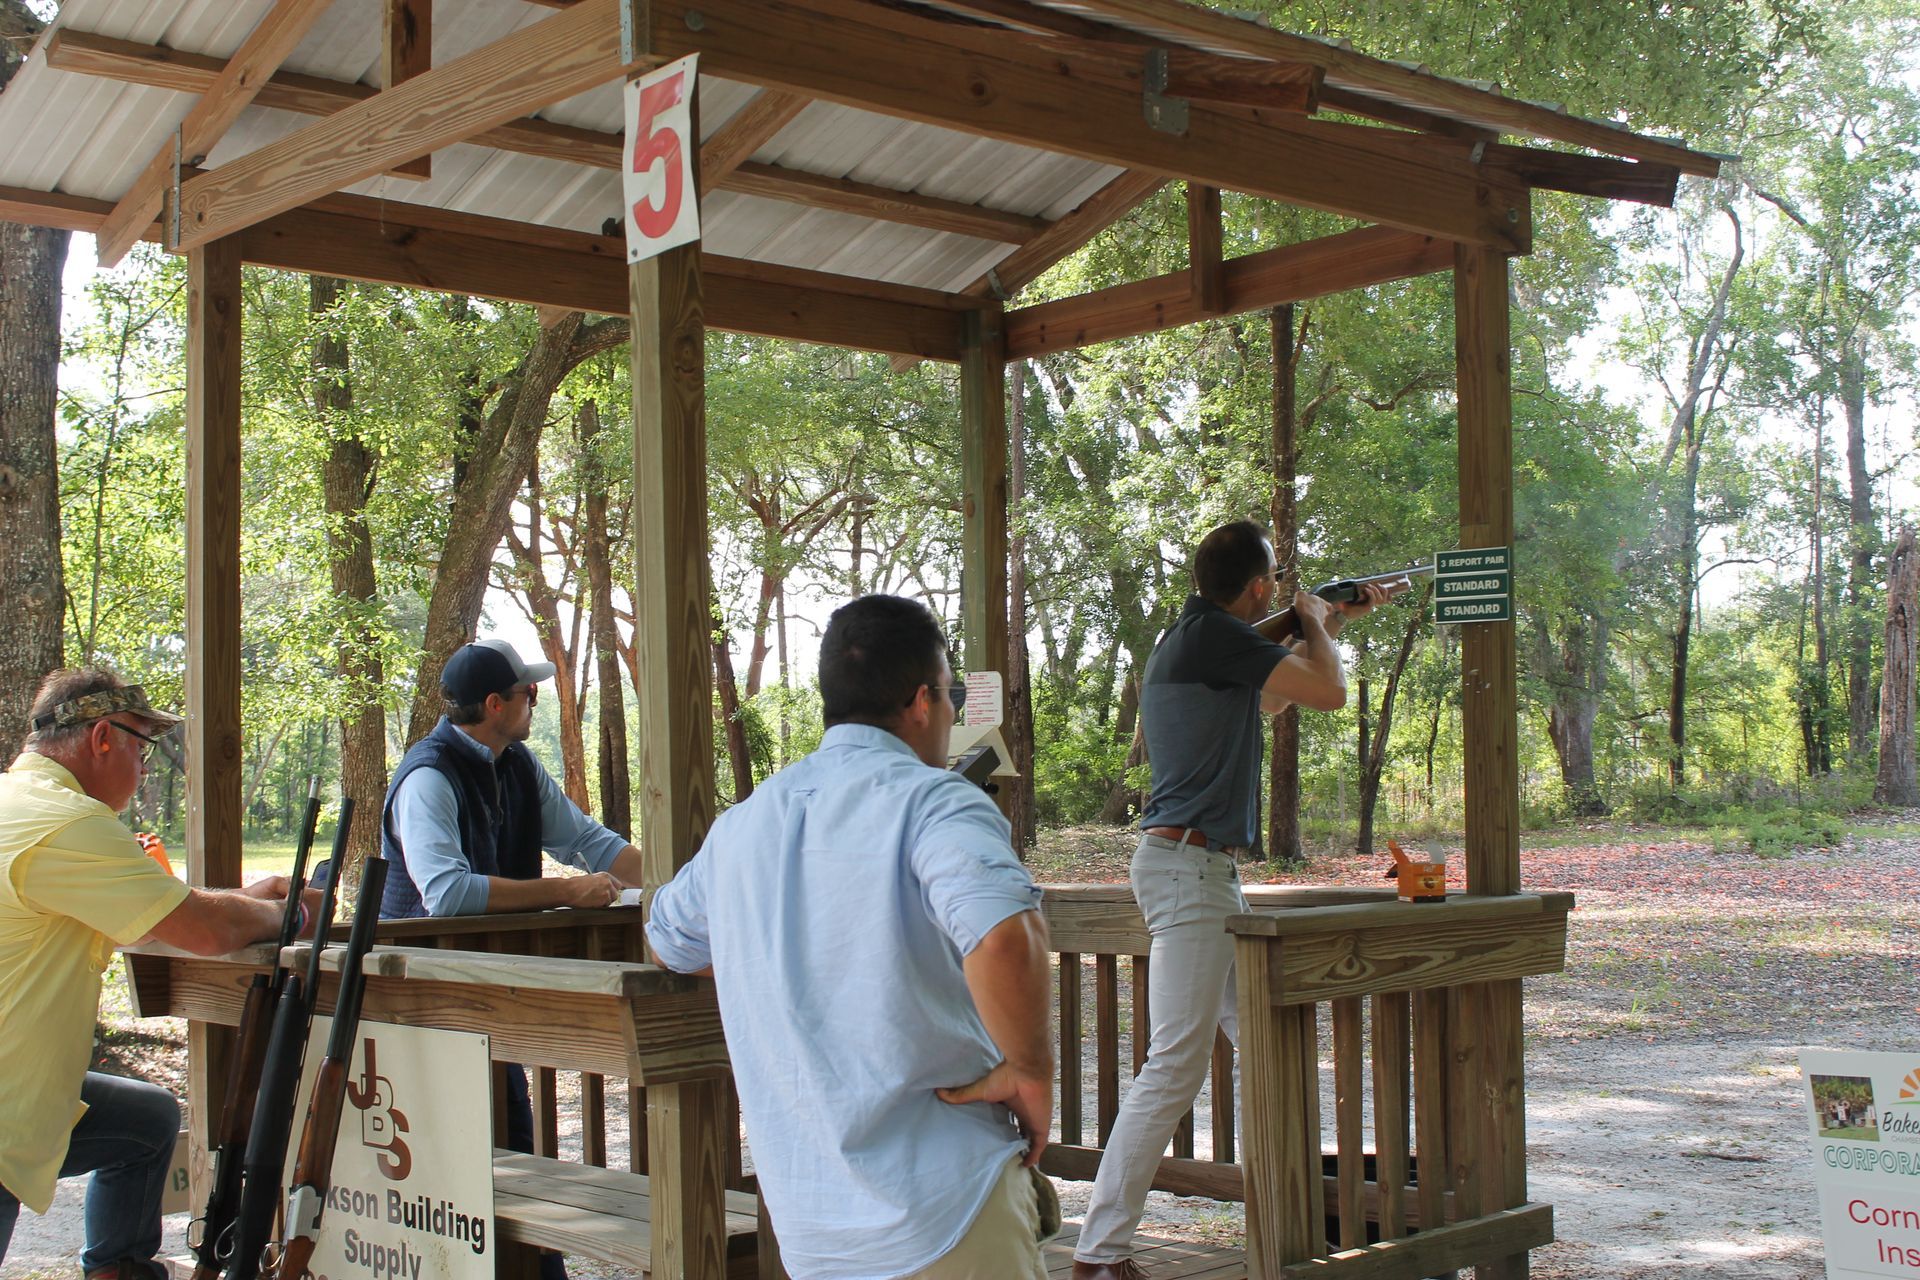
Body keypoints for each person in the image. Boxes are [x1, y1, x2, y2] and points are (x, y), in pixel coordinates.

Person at [647, 595, 1057, 1280]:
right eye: (950, 694)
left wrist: (776, 955)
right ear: (922, 701)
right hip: (944, 1207)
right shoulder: (933, 800)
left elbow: (669, 941)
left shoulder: (742, 827)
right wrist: (1028, 1069)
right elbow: (1004, 938)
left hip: (812, 1231)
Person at [1072, 521, 1386, 1280]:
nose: (1278, 590)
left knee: (1264, 1042)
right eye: (1274, 582)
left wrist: (1328, 621)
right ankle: (1098, 1254)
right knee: (1173, 1069)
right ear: (1258, 587)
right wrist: (1313, 623)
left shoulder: (1198, 637)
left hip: (1198, 870)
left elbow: (1276, 700)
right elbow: (1329, 693)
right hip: (1191, 871)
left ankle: (1298, 1219)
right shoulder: (1214, 637)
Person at [0, 669, 313, 1280]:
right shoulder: (69, 823)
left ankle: (118, 1270)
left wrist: (241, 900)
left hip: (27, 1098)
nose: (145, 769)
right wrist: (292, 914)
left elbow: (148, 918)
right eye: (141, 748)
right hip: (9, 1112)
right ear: (101, 738)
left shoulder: (21, 806)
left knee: (146, 1121)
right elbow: (203, 930)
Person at [378, 638, 645, 1280]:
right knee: (452, 1168)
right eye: (529, 691)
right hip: (423, 1005)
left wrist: (685, 881)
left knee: (509, 1149)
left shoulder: (517, 763)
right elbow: (445, 894)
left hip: (483, 998)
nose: (536, 699)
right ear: (496, 704)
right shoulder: (428, 777)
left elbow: (587, 840)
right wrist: (564, 892)